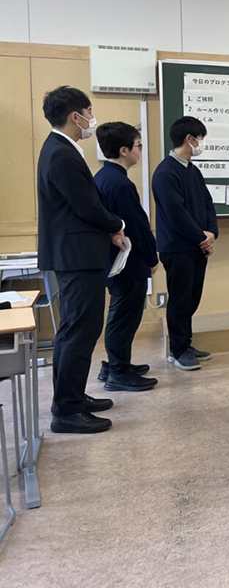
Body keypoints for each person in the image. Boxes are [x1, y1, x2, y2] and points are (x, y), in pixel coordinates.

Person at [37, 86, 126, 434]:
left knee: (76, 329)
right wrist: (117, 225)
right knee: (79, 329)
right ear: (75, 116)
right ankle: (67, 410)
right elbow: (86, 206)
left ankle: (71, 396)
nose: (92, 119)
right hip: (77, 256)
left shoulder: (60, 149)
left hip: (76, 254)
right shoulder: (61, 153)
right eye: (89, 112)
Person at [94, 122, 159, 392]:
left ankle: (117, 364)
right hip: (127, 262)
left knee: (122, 314)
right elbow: (137, 227)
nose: (140, 150)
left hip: (116, 260)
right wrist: (152, 258)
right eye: (138, 146)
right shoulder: (120, 184)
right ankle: (118, 372)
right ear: (124, 150)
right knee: (124, 316)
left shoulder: (104, 176)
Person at [152, 116, 218, 373]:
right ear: (189, 138)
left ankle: (185, 344)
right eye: (200, 138)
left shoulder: (193, 170)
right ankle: (178, 350)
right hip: (178, 248)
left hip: (196, 246)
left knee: (192, 298)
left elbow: (207, 204)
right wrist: (201, 237)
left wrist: (211, 233)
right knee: (180, 300)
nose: (201, 143)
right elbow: (176, 214)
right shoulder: (165, 172)